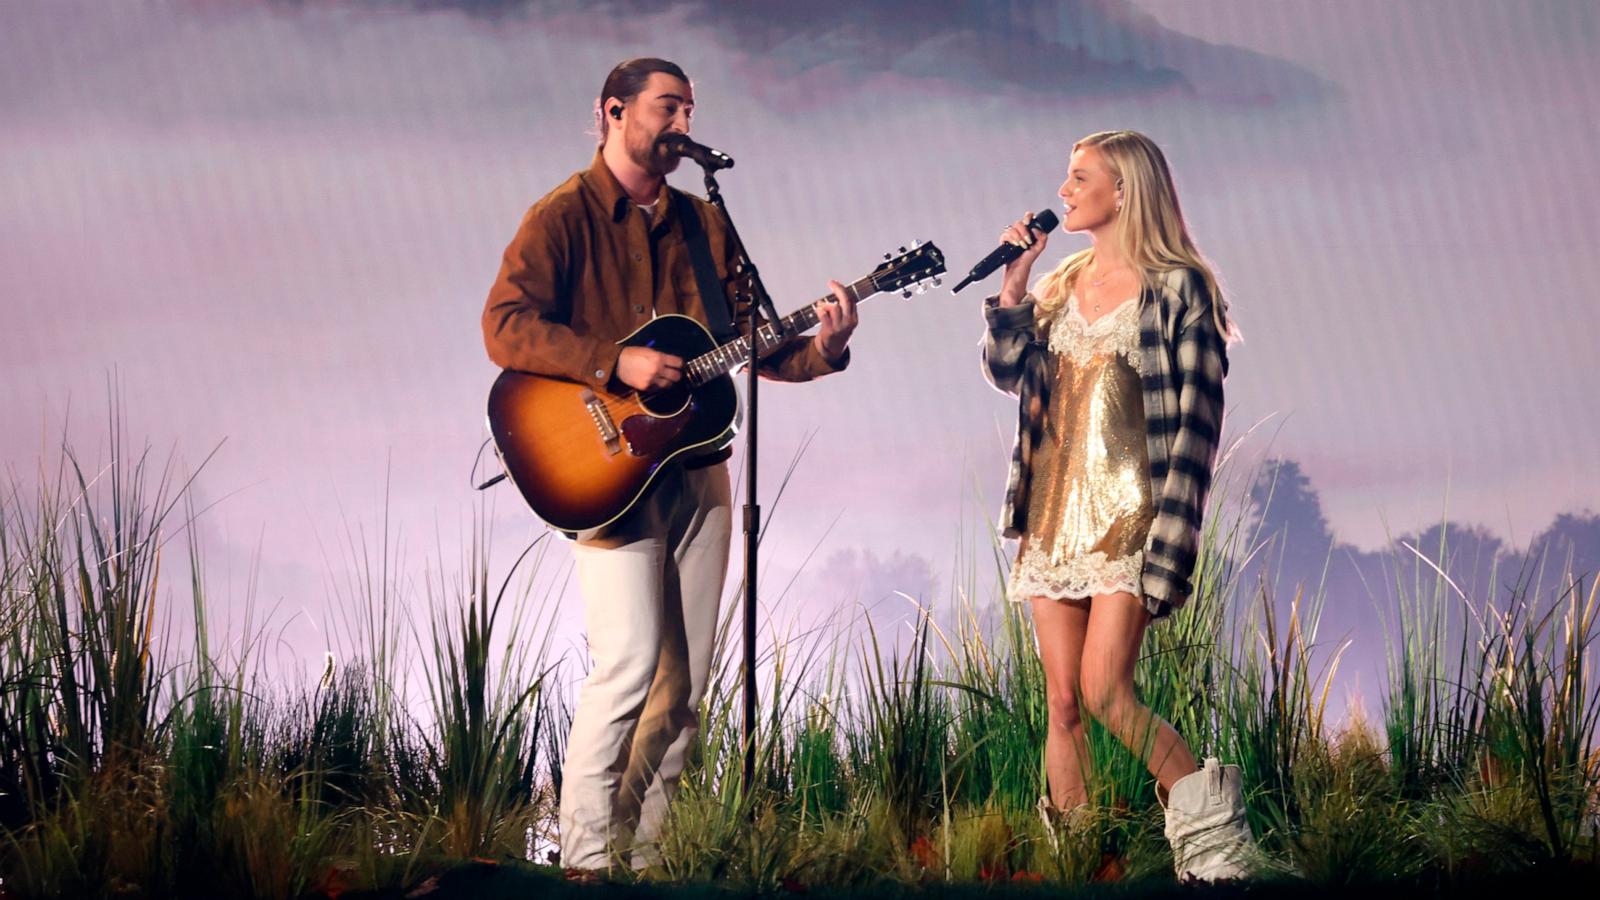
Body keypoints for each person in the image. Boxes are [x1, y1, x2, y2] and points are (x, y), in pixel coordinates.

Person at [481, 57, 858, 876]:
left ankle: (642, 864)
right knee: (625, 668)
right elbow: (505, 325)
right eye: (667, 108)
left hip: (698, 466)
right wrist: (612, 363)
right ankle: (583, 863)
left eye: (689, 109)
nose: (683, 124)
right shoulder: (562, 216)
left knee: (682, 694)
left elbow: (756, 346)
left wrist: (825, 346)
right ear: (611, 112)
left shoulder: (704, 222)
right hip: (606, 473)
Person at [980, 130, 1253, 881]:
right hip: (1052, 517)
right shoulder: (1061, 282)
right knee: (1063, 702)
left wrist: (1173, 542)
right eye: (1066, 179)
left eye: (1080, 178)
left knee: (1107, 690)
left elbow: (1197, 428)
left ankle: (1218, 854)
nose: (1063, 191)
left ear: (1125, 189)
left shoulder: (1180, 287)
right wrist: (1012, 287)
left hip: (1132, 521)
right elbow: (1009, 372)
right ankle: (1078, 865)